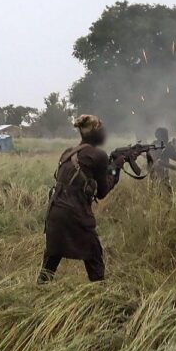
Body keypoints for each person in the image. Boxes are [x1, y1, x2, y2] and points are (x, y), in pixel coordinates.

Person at [39, 114, 123, 283]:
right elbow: (102, 192)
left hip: (55, 213)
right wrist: (116, 169)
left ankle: (38, 292)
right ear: (95, 133)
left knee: (51, 259)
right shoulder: (98, 155)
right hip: (75, 214)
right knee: (94, 257)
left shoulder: (68, 152)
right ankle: (100, 299)